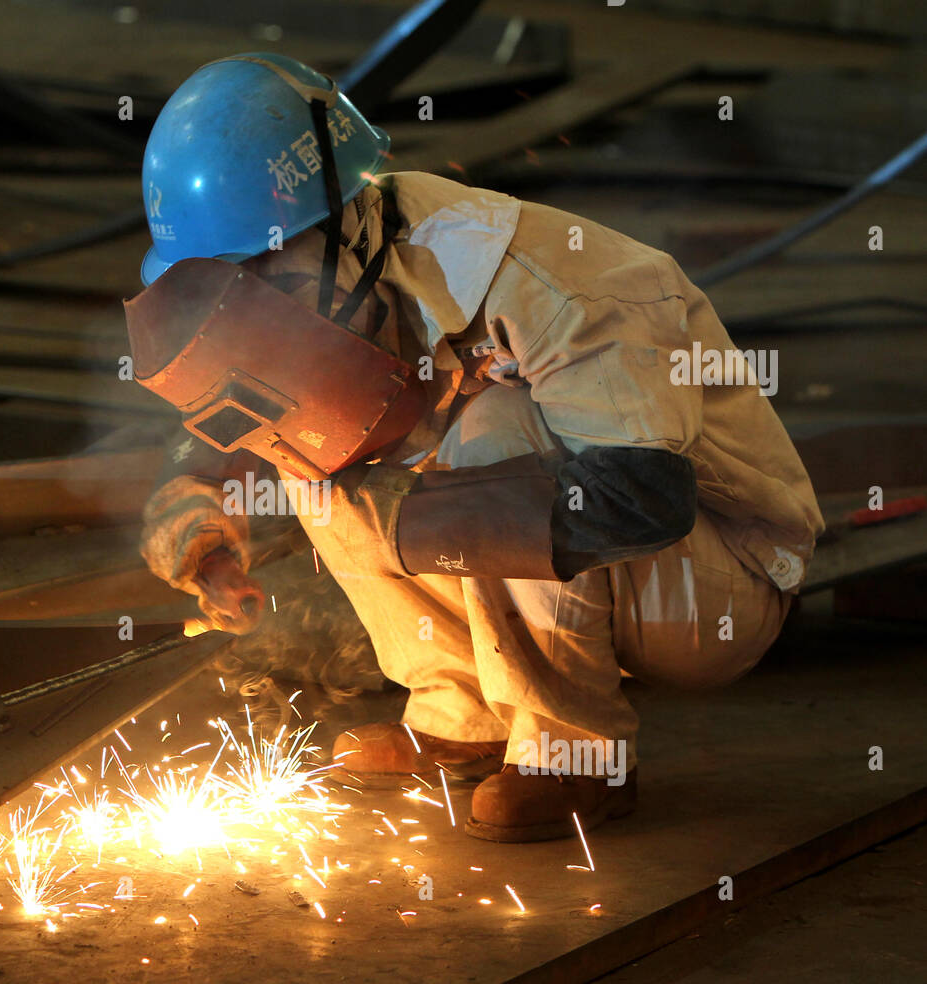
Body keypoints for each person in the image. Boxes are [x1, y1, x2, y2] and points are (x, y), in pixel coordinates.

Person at [125, 53, 823, 842]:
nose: (246, 299)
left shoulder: (554, 287)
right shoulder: (346, 266)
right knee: (319, 452)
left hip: (717, 575)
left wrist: (404, 518)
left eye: (254, 269)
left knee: (495, 434)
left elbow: (641, 499)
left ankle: (576, 753)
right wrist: (200, 510)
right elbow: (257, 402)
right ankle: (461, 719)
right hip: (635, 552)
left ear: (340, 220)